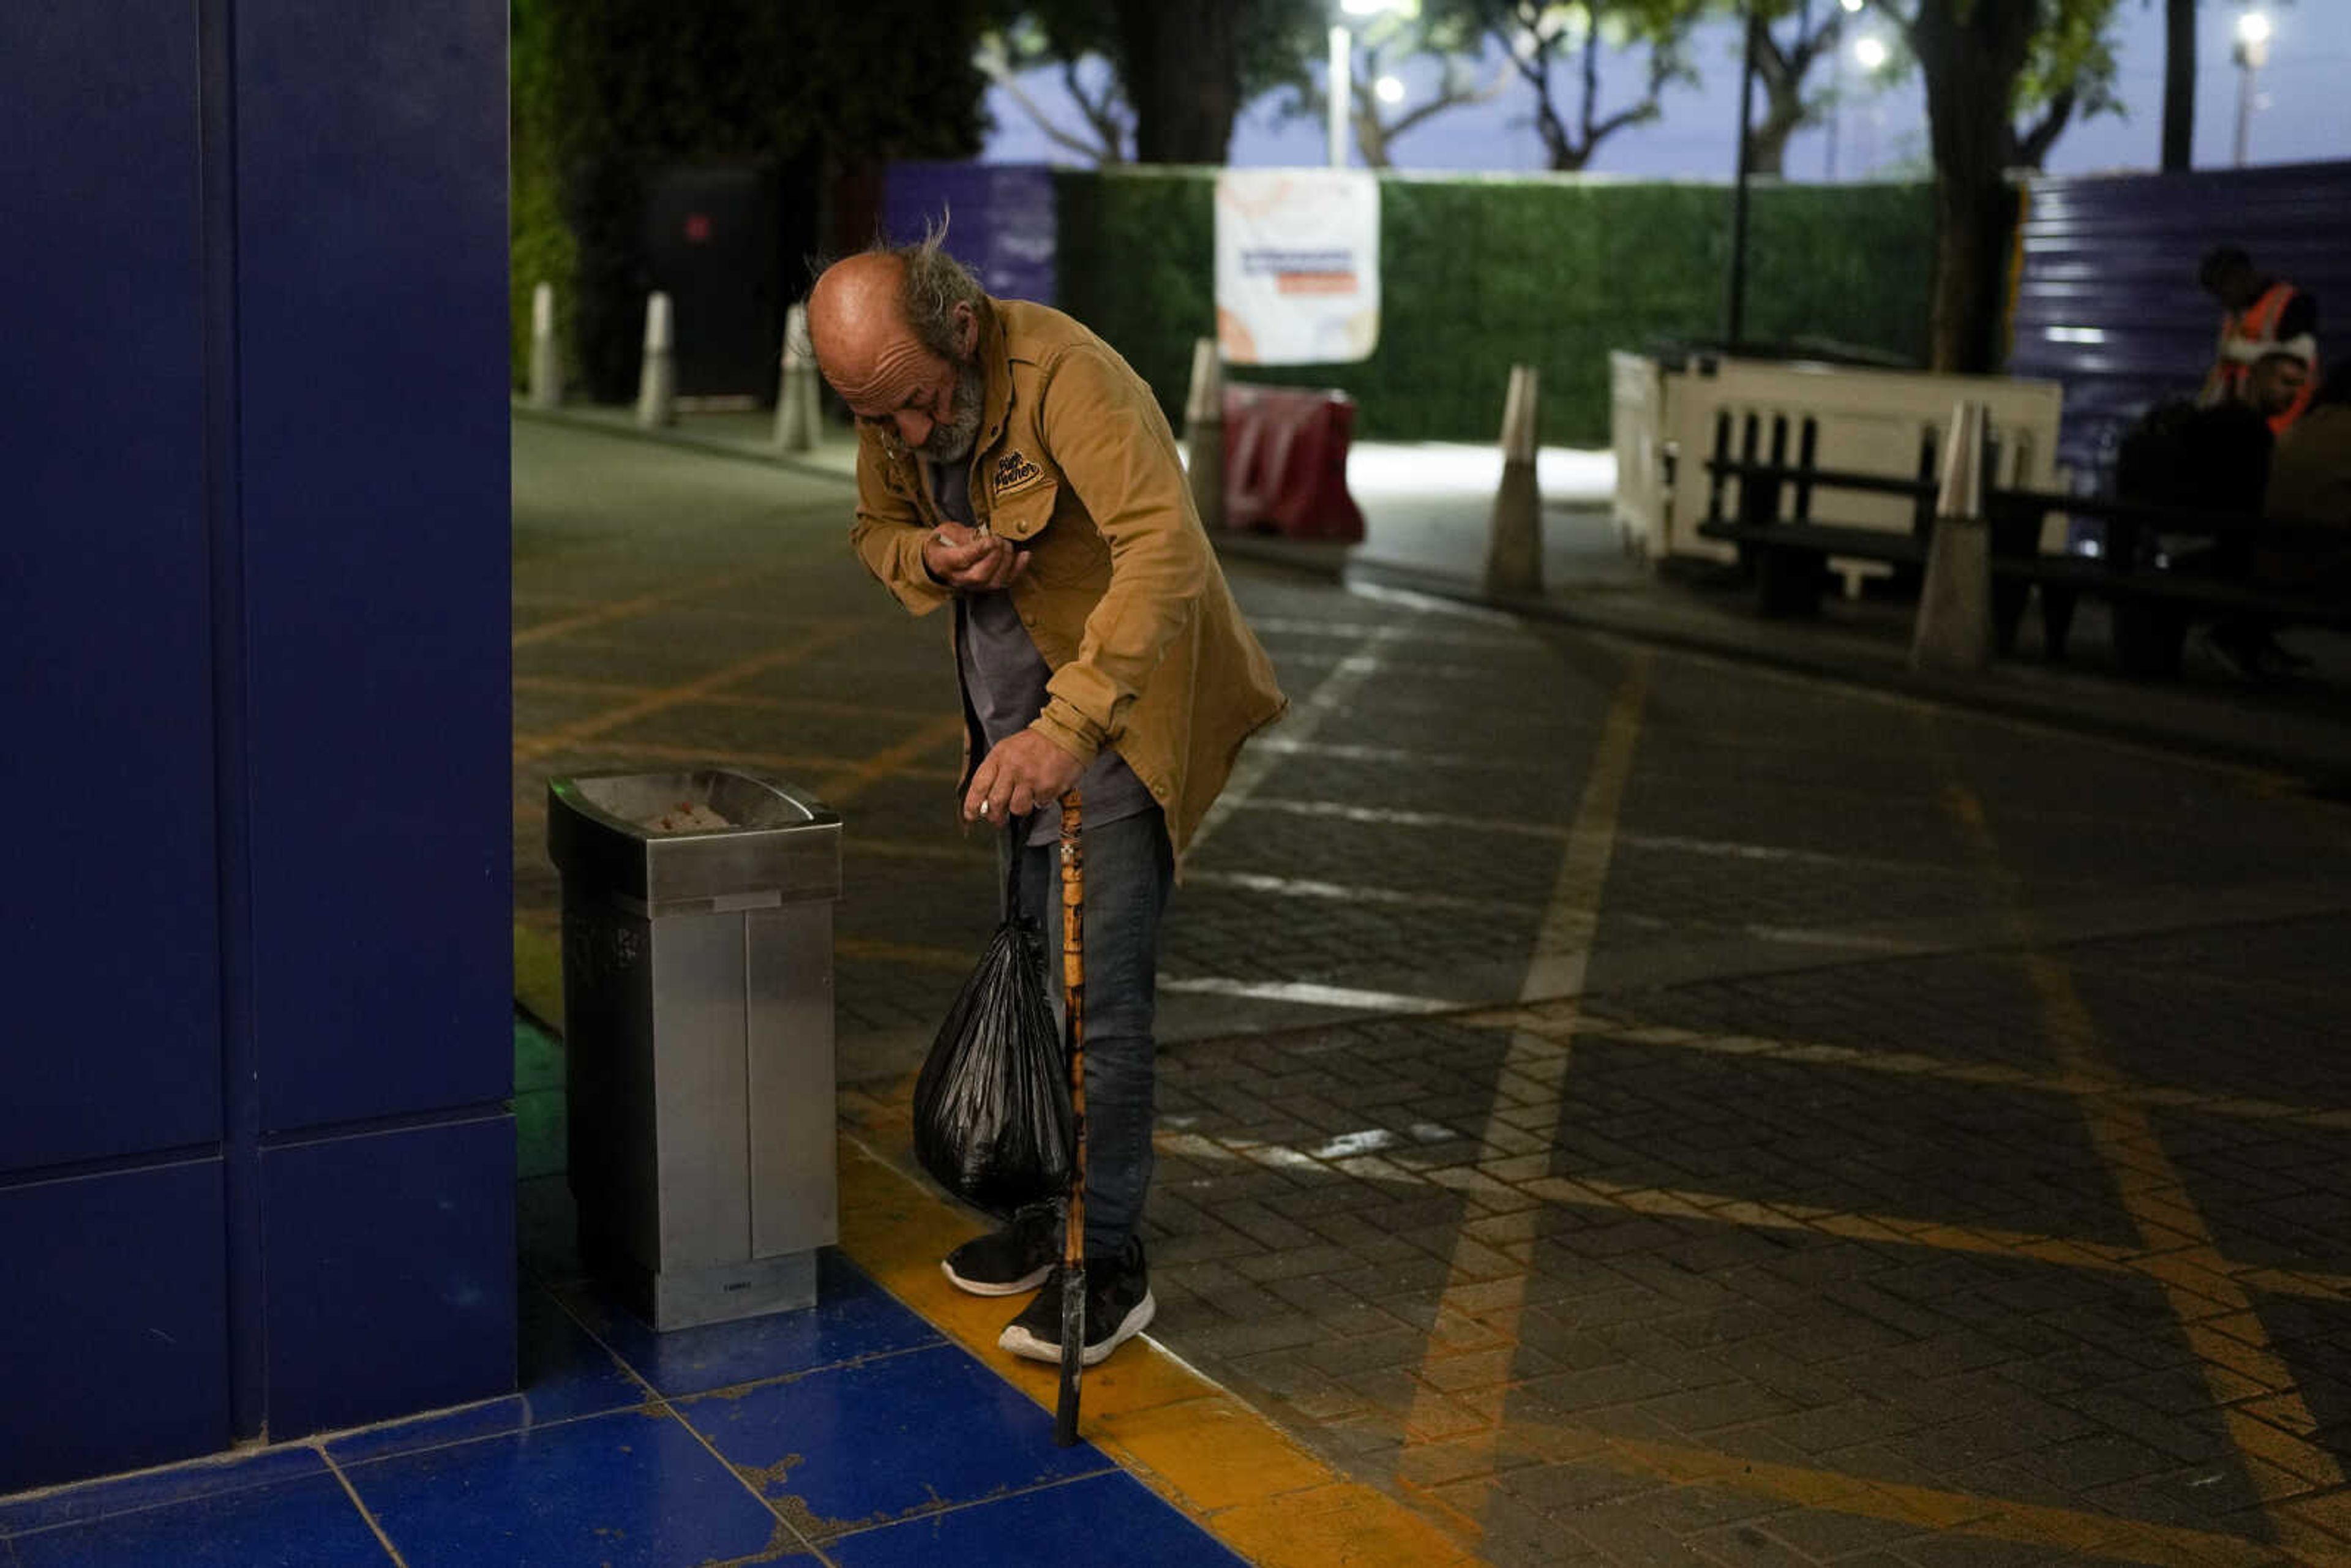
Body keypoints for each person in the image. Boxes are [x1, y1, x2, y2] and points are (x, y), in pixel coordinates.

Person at [803, 234, 1286, 1367]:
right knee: (1035, 973)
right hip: (1008, 738)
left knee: (1097, 1014)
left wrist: (1068, 731)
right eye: (882, 421)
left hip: (1109, 720)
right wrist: (936, 555)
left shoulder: (1069, 376)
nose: (909, 435)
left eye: (919, 405)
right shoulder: (891, 404)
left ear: (960, 329)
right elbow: (875, 530)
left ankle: (1106, 1258)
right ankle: (1046, 1211)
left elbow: (1165, 551)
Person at [2199, 245, 2319, 435]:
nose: (2222, 302)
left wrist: (2241, 351)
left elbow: (2300, 356)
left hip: (2286, 426)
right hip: (2247, 425)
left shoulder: (2295, 305)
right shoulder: (2235, 314)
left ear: (2241, 277)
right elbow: (2224, 373)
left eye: (2223, 291)